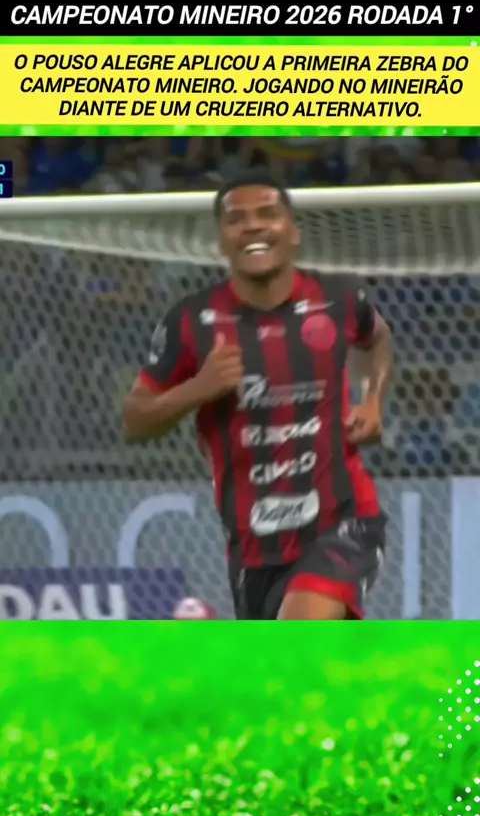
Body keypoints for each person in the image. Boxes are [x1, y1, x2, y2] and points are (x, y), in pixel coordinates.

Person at [123, 171, 394, 621]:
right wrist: (198, 388)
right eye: (236, 219)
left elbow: (377, 337)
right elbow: (135, 421)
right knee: (288, 663)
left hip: (344, 522)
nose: (252, 226)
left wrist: (373, 400)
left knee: (298, 634)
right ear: (221, 240)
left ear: (293, 231)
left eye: (268, 214)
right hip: (253, 548)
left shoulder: (340, 297)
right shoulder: (190, 322)